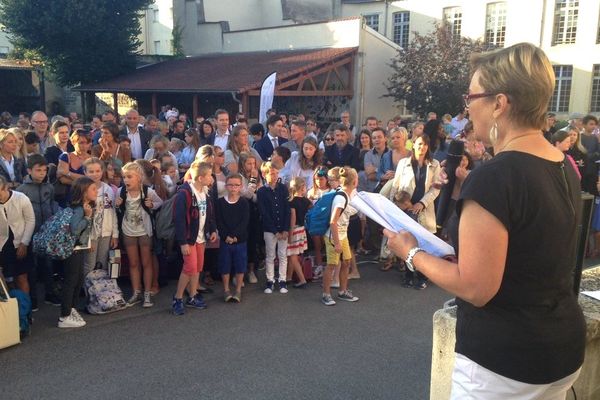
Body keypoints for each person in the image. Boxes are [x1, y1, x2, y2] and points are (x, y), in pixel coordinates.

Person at [384, 42, 585, 398]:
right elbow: (529, 248)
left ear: (499, 103)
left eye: (471, 97)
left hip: (504, 363)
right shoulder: (560, 165)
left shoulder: (496, 176)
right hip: (560, 348)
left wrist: (411, 254)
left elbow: (476, 288)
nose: (467, 109)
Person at [380, 135, 440, 289]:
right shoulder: (403, 163)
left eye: (425, 145)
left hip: (423, 209)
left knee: (423, 244)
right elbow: (396, 186)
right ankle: (407, 274)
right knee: (408, 243)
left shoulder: (434, 164)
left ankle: (422, 276)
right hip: (406, 209)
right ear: (413, 145)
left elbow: (436, 189)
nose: (422, 148)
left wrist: (422, 203)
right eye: (419, 144)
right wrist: (397, 206)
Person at [171, 161, 217, 315]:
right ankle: (177, 297)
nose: (212, 178)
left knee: (198, 267)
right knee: (189, 267)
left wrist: (212, 229)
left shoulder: (205, 192)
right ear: (200, 178)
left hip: (201, 237)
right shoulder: (185, 193)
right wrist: (183, 242)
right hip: (189, 238)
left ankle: (192, 295)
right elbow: (179, 220)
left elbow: (209, 214)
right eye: (209, 175)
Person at [116, 162, 163, 308]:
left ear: (139, 178)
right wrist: (117, 205)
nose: (126, 180)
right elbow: (116, 209)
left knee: (146, 262)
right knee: (133, 263)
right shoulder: (121, 191)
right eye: (124, 177)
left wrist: (152, 205)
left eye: (130, 177)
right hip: (128, 230)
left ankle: (147, 292)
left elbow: (160, 202)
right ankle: (136, 292)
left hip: (144, 231)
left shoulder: (148, 191)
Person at [16, 155, 60, 307]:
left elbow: (52, 203)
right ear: (29, 170)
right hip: (31, 233)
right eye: (38, 170)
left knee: (48, 264)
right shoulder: (22, 190)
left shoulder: (49, 187)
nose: (42, 173)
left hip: (47, 232)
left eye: (44, 170)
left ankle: (50, 293)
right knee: (32, 267)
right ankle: (33, 297)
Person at [57, 177, 96, 328]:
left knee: (78, 279)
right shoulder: (79, 208)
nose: (96, 191)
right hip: (72, 249)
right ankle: (64, 315)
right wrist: (87, 216)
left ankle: (71, 309)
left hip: (78, 248)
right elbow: (75, 229)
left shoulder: (84, 206)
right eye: (93, 189)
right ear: (84, 192)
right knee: (71, 281)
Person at [321, 167, 360, 306]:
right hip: (334, 235)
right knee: (331, 265)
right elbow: (333, 221)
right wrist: (336, 243)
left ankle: (342, 291)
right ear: (355, 182)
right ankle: (326, 294)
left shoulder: (346, 195)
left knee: (346, 262)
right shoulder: (341, 198)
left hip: (342, 234)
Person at [257, 161, 290, 294]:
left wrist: (285, 229)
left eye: (277, 173)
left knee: (283, 255)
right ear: (265, 175)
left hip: (283, 228)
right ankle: (270, 280)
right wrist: (275, 231)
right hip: (270, 229)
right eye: (272, 173)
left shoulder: (283, 188)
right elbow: (264, 213)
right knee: (270, 255)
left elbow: (287, 209)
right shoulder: (262, 191)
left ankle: (282, 280)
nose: (275, 176)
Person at [82, 158, 119, 276]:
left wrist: (115, 234)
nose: (95, 174)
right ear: (85, 172)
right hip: (90, 234)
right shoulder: (82, 190)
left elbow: (112, 212)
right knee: (89, 264)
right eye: (91, 171)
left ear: (102, 171)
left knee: (102, 263)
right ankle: (88, 291)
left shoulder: (108, 189)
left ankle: (100, 292)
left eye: (97, 171)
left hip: (106, 232)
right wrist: (87, 238)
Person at [217, 173, 250, 303]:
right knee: (225, 265)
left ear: (241, 186)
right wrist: (226, 236)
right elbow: (219, 222)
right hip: (225, 240)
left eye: (236, 185)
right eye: (230, 185)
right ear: (226, 186)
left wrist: (235, 236)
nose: (233, 188)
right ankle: (226, 290)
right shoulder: (220, 203)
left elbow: (245, 221)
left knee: (240, 265)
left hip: (240, 240)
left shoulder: (244, 203)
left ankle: (238, 290)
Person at [0, 175, 35, 298]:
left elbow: (30, 220)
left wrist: (24, 243)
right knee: (3, 280)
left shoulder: (21, 199)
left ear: (6, 188)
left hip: (20, 241)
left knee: (21, 277)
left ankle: (26, 312)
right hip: (2, 244)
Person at [238, 152, 262, 284]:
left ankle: (252, 270)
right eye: (249, 163)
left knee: (253, 241)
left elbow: (259, 195)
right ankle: (240, 271)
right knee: (243, 242)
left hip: (254, 213)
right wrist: (253, 180)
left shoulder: (258, 176)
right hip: (242, 212)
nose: (252, 166)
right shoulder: (240, 177)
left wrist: (253, 194)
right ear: (242, 164)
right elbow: (247, 194)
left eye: (254, 163)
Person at [286, 177, 312, 288]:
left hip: (294, 230)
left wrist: (290, 234)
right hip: (302, 229)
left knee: (292, 256)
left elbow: (292, 219)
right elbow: (311, 209)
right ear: (302, 188)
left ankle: (302, 280)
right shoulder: (307, 201)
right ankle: (289, 277)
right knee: (294, 254)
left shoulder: (291, 202)